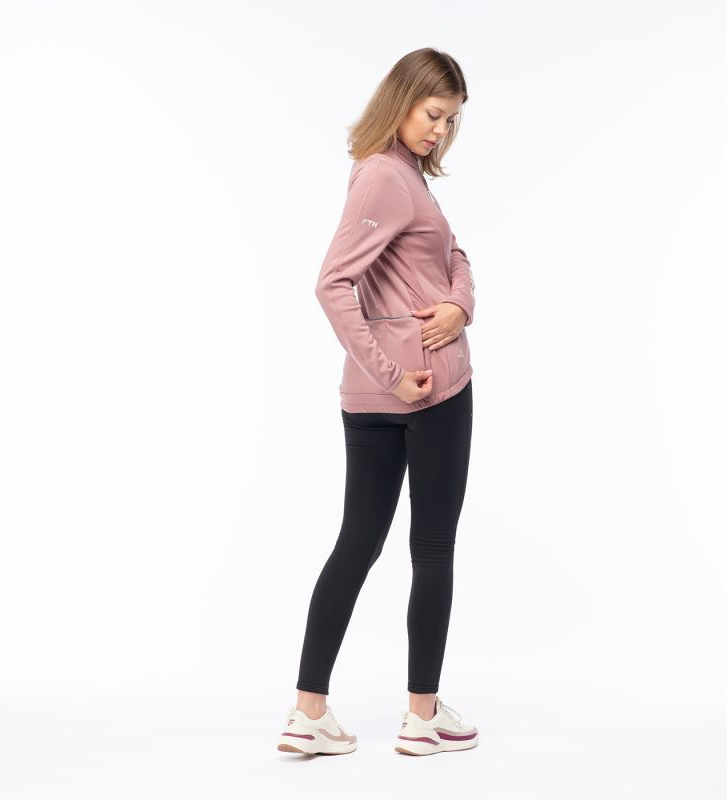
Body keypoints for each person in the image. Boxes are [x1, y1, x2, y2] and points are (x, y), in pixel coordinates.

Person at [277, 48, 479, 757]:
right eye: (433, 114)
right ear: (402, 101)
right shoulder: (386, 178)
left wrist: (459, 304)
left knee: (358, 542)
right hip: (428, 387)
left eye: (451, 121)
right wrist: (393, 372)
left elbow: (455, 258)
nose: (440, 131)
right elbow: (331, 283)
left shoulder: (400, 174)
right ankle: (422, 717)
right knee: (432, 546)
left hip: (375, 392)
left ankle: (310, 713)